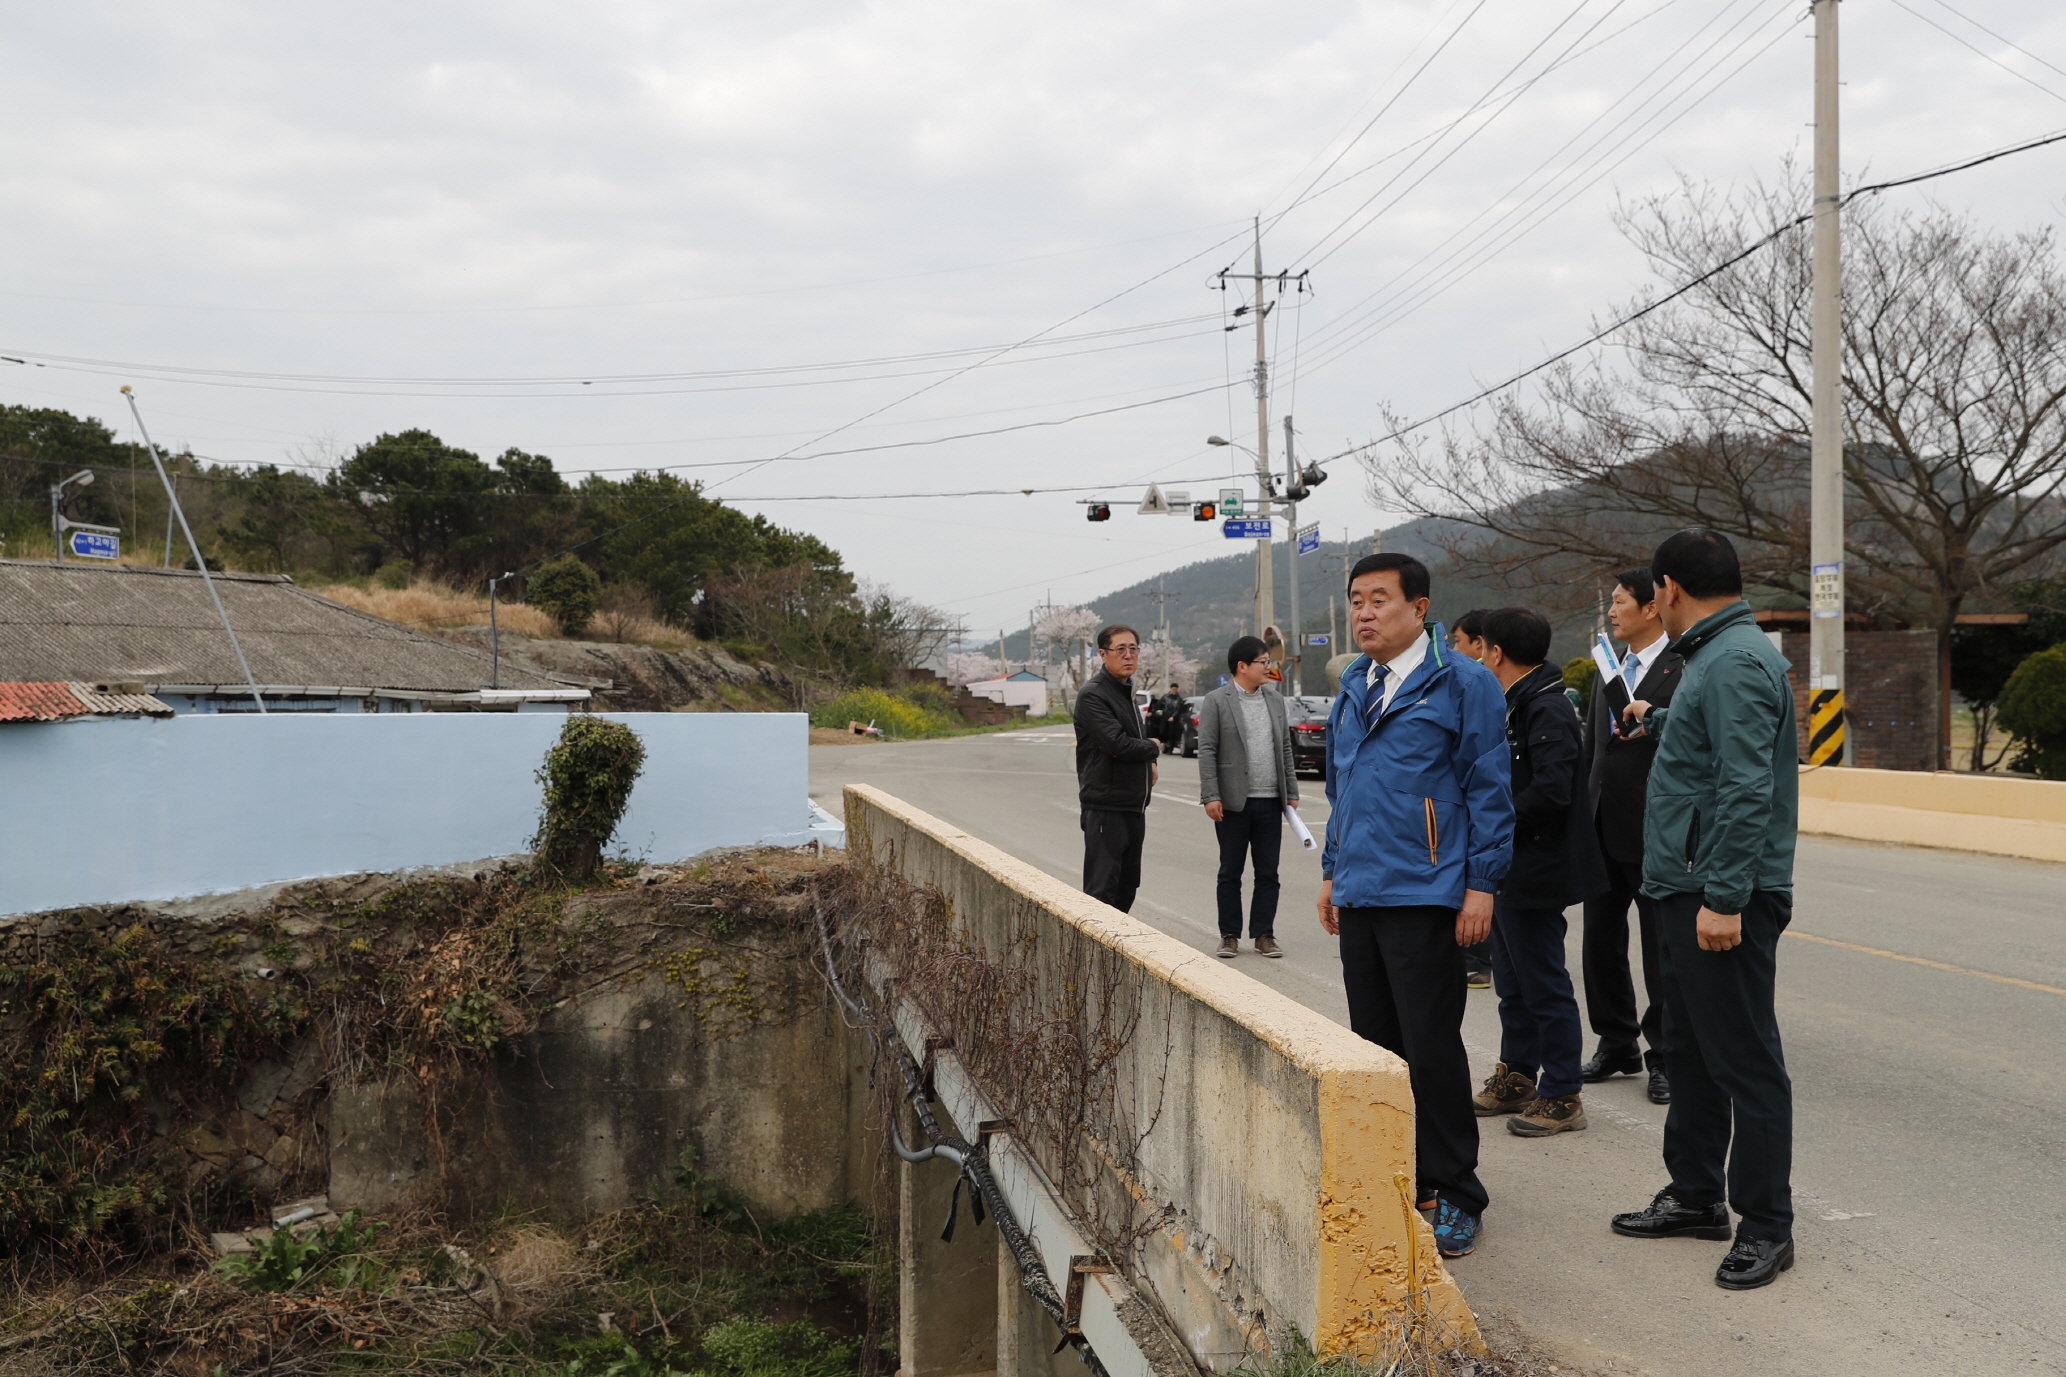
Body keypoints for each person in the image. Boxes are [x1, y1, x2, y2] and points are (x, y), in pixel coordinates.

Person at [1609, 528, 1799, 1292]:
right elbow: (1708, 750)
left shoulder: (1737, 662)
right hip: (1678, 885)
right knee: (1684, 1049)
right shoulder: (1712, 659)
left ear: (1669, 590)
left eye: (1651, 593)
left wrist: (1726, 899)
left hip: (1718, 894)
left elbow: (1748, 788)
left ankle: (1766, 1224)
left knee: (1744, 1059)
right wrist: (1654, 722)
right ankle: (1694, 1194)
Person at [1316, 554, 1513, 1260]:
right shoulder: (1352, 683)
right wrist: (1333, 871)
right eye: (1356, 601)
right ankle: (1402, 1180)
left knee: (1430, 1048)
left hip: (1428, 892)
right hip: (1363, 890)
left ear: (1418, 608)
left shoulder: (1461, 682)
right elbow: (1344, 788)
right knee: (1376, 1047)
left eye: (1379, 599)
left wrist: (1481, 883)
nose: (1364, 612)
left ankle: (1458, 1189)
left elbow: (1489, 786)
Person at [1469, 607, 1607, 1138]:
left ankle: (1562, 1093)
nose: (1479, 657)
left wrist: (1493, 819)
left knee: (1543, 983)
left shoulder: (1545, 707)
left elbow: (1550, 791)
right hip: (1508, 862)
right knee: (1512, 982)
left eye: (1481, 648)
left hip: (1536, 865)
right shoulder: (1514, 702)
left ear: (1496, 652)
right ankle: (1519, 1075)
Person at [1580, 568, 1683, 1105]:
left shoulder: (1683, 663)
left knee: (1658, 944)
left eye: (1620, 602)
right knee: (1599, 940)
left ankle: (1664, 1053)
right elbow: (1595, 745)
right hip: (1601, 824)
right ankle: (1615, 1040)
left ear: (1650, 608)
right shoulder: (1607, 665)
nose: (1612, 611)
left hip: (1653, 827)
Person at [1196, 637, 1300, 959]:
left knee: (1269, 872)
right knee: (1230, 871)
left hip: (1270, 801)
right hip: (1232, 802)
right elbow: (1207, 750)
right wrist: (1211, 794)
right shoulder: (1216, 700)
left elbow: (1284, 748)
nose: (1268, 666)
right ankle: (1229, 935)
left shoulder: (1274, 700)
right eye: (1262, 661)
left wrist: (1291, 792)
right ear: (1242, 667)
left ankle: (1264, 934)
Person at [1073, 624, 1161, 913]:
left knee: (1126, 887)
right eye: (1120, 649)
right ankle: (1092, 957)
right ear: (1102, 654)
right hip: (1107, 807)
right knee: (1102, 893)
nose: (1128, 655)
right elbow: (1116, 743)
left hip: (1133, 805)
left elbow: (1133, 739)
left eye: (1133, 648)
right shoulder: (1093, 695)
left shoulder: (1126, 693)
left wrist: (1151, 760)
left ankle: (1116, 954)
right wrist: (1153, 747)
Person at [1446, 609, 1496, 991]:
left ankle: (1480, 962)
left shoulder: (1475, 686)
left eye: (1458, 642)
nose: (1453, 650)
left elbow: (1488, 787)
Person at [1150, 681, 1187, 754]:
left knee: (1171, 734)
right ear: (1170, 689)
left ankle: (1170, 749)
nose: (1174, 691)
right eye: (1173, 689)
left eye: (1176, 689)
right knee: (1162, 731)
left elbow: (1179, 709)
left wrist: (1173, 716)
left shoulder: (1179, 699)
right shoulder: (1166, 697)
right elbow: (1158, 705)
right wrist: (1152, 712)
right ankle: (1166, 742)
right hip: (1165, 716)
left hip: (1173, 719)